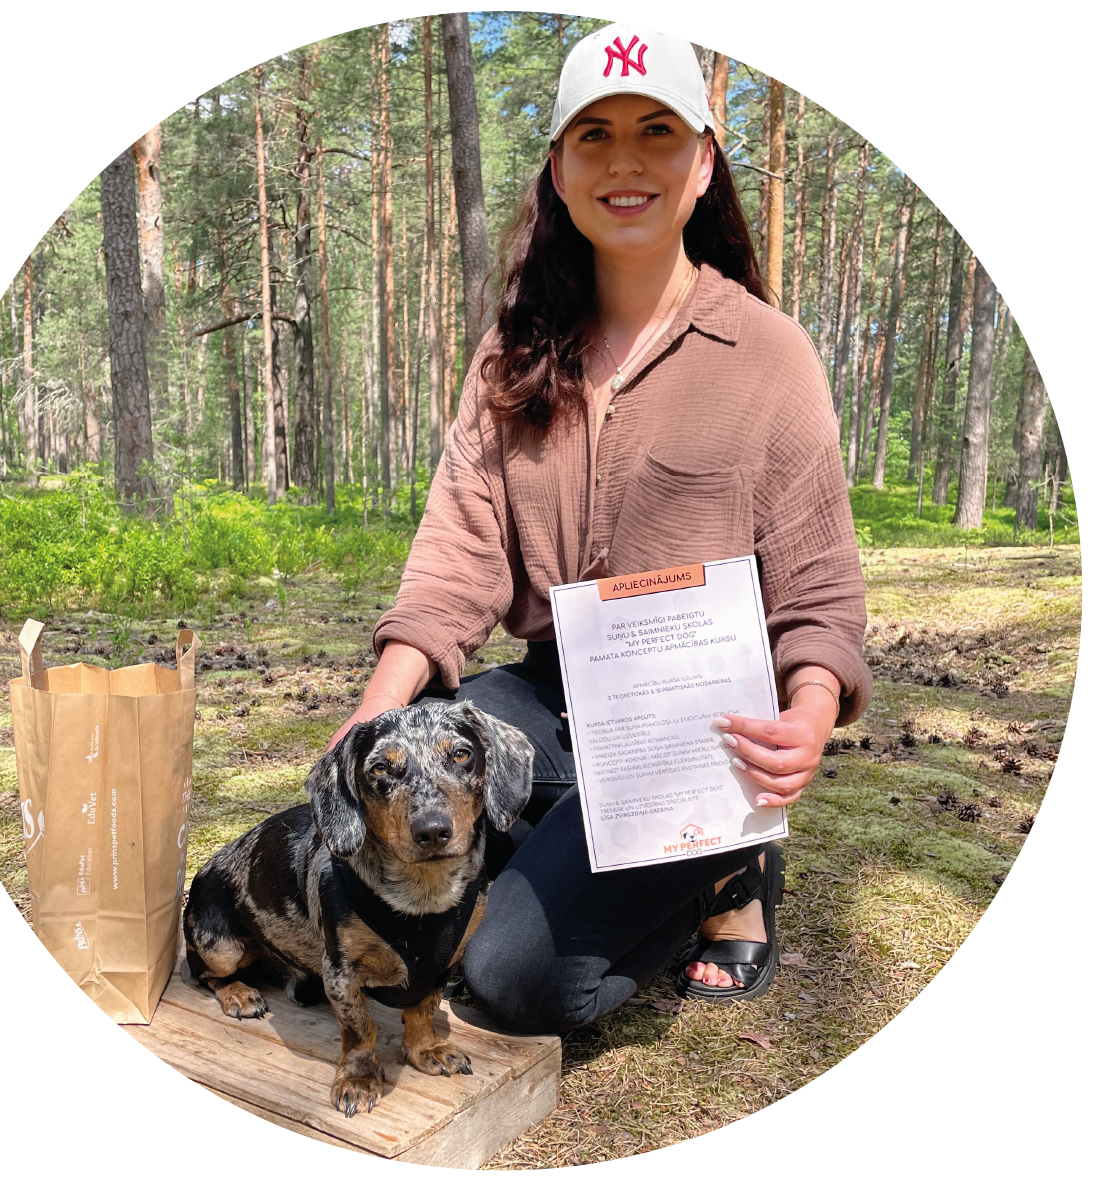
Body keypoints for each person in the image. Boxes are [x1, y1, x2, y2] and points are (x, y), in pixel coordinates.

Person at [327, 23, 871, 1035]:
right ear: (559, 170)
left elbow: (821, 591)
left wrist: (806, 712)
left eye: (657, 131)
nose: (626, 161)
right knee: (414, 785)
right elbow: (455, 562)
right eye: (595, 135)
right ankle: (598, 839)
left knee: (506, 979)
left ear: (703, 164)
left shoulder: (769, 354)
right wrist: (371, 722)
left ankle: (729, 869)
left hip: (702, 730)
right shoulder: (513, 354)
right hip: (554, 697)